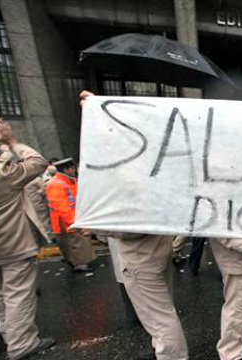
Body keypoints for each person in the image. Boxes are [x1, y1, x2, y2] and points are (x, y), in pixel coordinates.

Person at [80, 90, 188, 360]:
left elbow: (129, 225)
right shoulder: (153, 166)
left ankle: (172, 356)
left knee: (159, 317)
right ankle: (163, 350)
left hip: (141, 255)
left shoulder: (127, 177)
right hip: (159, 248)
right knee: (163, 311)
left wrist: (98, 226)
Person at [0, 117, 55, 359]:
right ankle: (22, 345)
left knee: (0, 295)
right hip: (13, 243)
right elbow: (38, 162)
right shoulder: (5, 172)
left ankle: (11, 338)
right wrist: (11, 141)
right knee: (18, 293)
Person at [46, 157, 97, 273]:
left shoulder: (68, 181)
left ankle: (79, 262)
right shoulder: (57, 184)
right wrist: (73, 222)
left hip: (73, 217)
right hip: (66, 220)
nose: (74, 170)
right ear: (67, 169)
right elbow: (61, 206)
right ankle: (79, 264)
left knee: (78, 242)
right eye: (72, 168)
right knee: (75, 243)